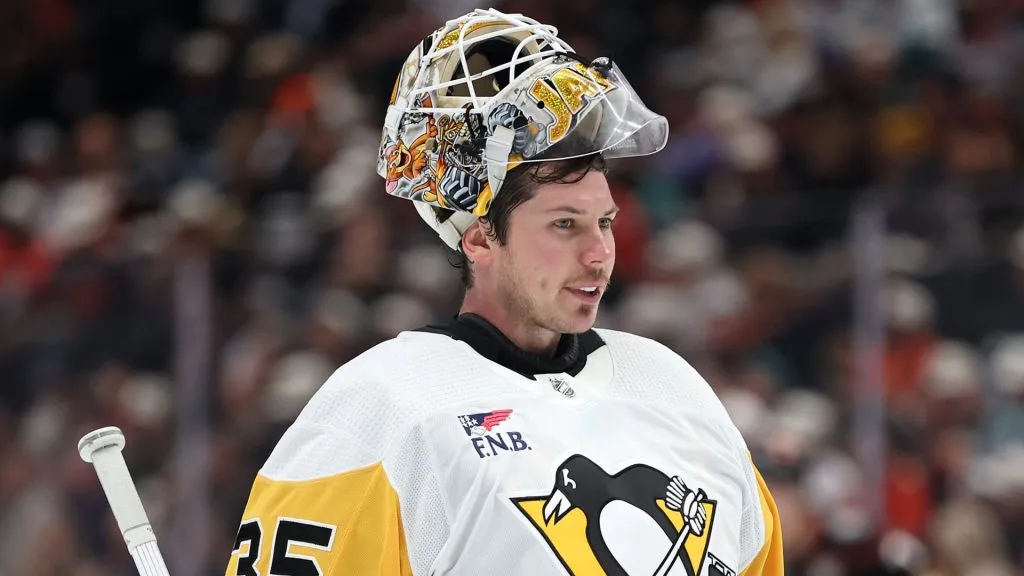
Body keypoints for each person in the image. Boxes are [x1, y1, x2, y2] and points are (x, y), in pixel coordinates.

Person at [224, 8, 783, 576]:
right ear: (480, 239)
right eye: (564, 224)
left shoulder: (674, 388)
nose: (599, 254)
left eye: (606, 222)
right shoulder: (383, 408)